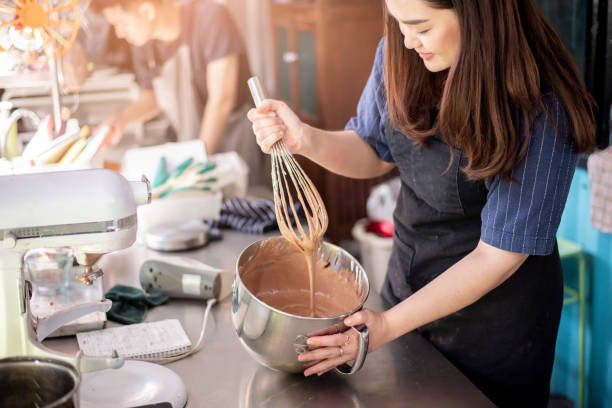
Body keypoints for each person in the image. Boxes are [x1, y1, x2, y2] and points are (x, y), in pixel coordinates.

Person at [248, 0, 596, 406]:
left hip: (494, 328)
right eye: (398, 23)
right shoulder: (401, 53)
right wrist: (305, 139)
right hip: (407, 289)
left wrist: (384, 326)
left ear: (478, 14)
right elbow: (373, 148)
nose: (408, 40)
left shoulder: (542, 107)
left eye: (422, 27)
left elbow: (498, 256)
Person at [90, 0, 265, 185]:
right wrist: (119, 122)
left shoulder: (210, 17)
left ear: (147, 11)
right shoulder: (144, 43)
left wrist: (197, 164)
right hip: (194, 142)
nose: (119, 33)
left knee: (243, 205)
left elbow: (222, 100)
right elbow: (152, 98)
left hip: (235, 141)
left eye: (121, 23)